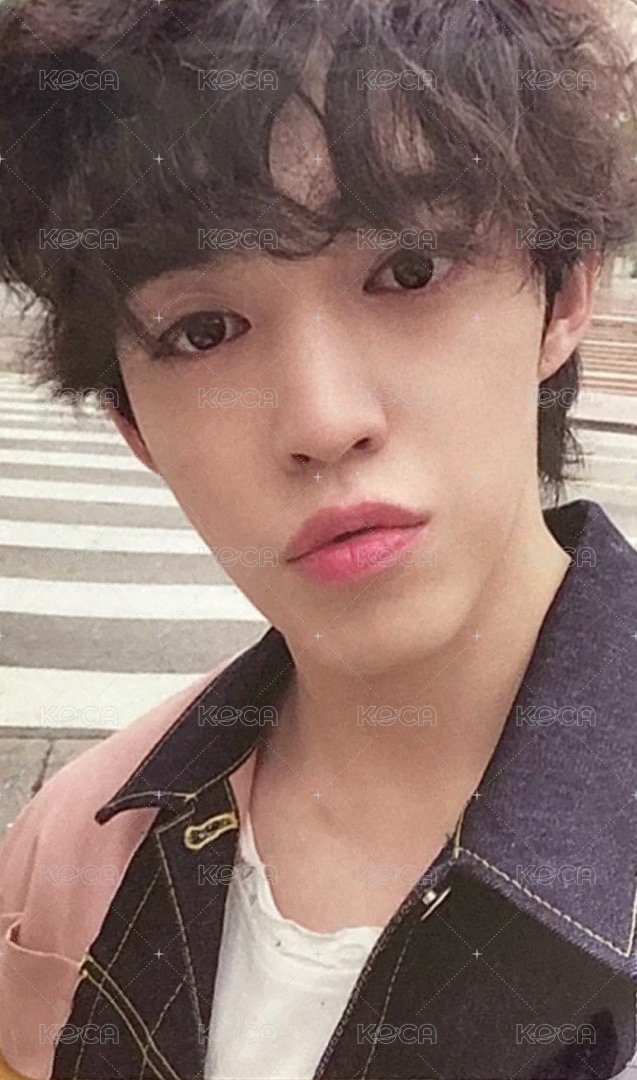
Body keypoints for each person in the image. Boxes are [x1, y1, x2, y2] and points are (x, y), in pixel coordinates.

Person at [0, 0, 636, 1077]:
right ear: (133, 425)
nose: (322, 421)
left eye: (410, 271)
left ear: (562, 291)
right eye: (203, 331)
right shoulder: (72, 854)